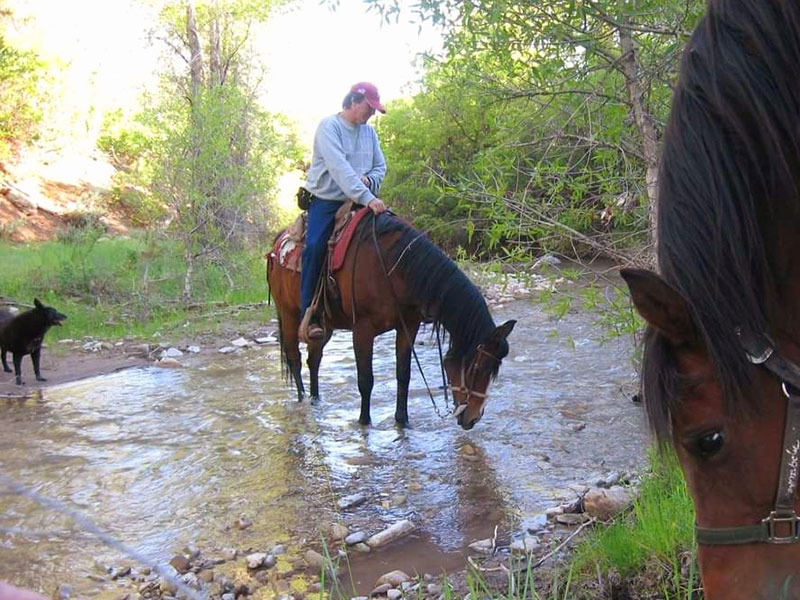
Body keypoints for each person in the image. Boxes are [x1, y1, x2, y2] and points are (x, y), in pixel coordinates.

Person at [299, 81, 388, 340]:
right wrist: (368, 196)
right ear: (353, 101)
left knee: (393, 238)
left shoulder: (369, 134)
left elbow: (380, 167)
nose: (371, 114)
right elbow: (339, 169)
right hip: (328, 201)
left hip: (363, 199)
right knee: (315, 246)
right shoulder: (330, 127)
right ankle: (309, 313)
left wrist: (369, 182)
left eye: (373, 110)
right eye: (368, 108)